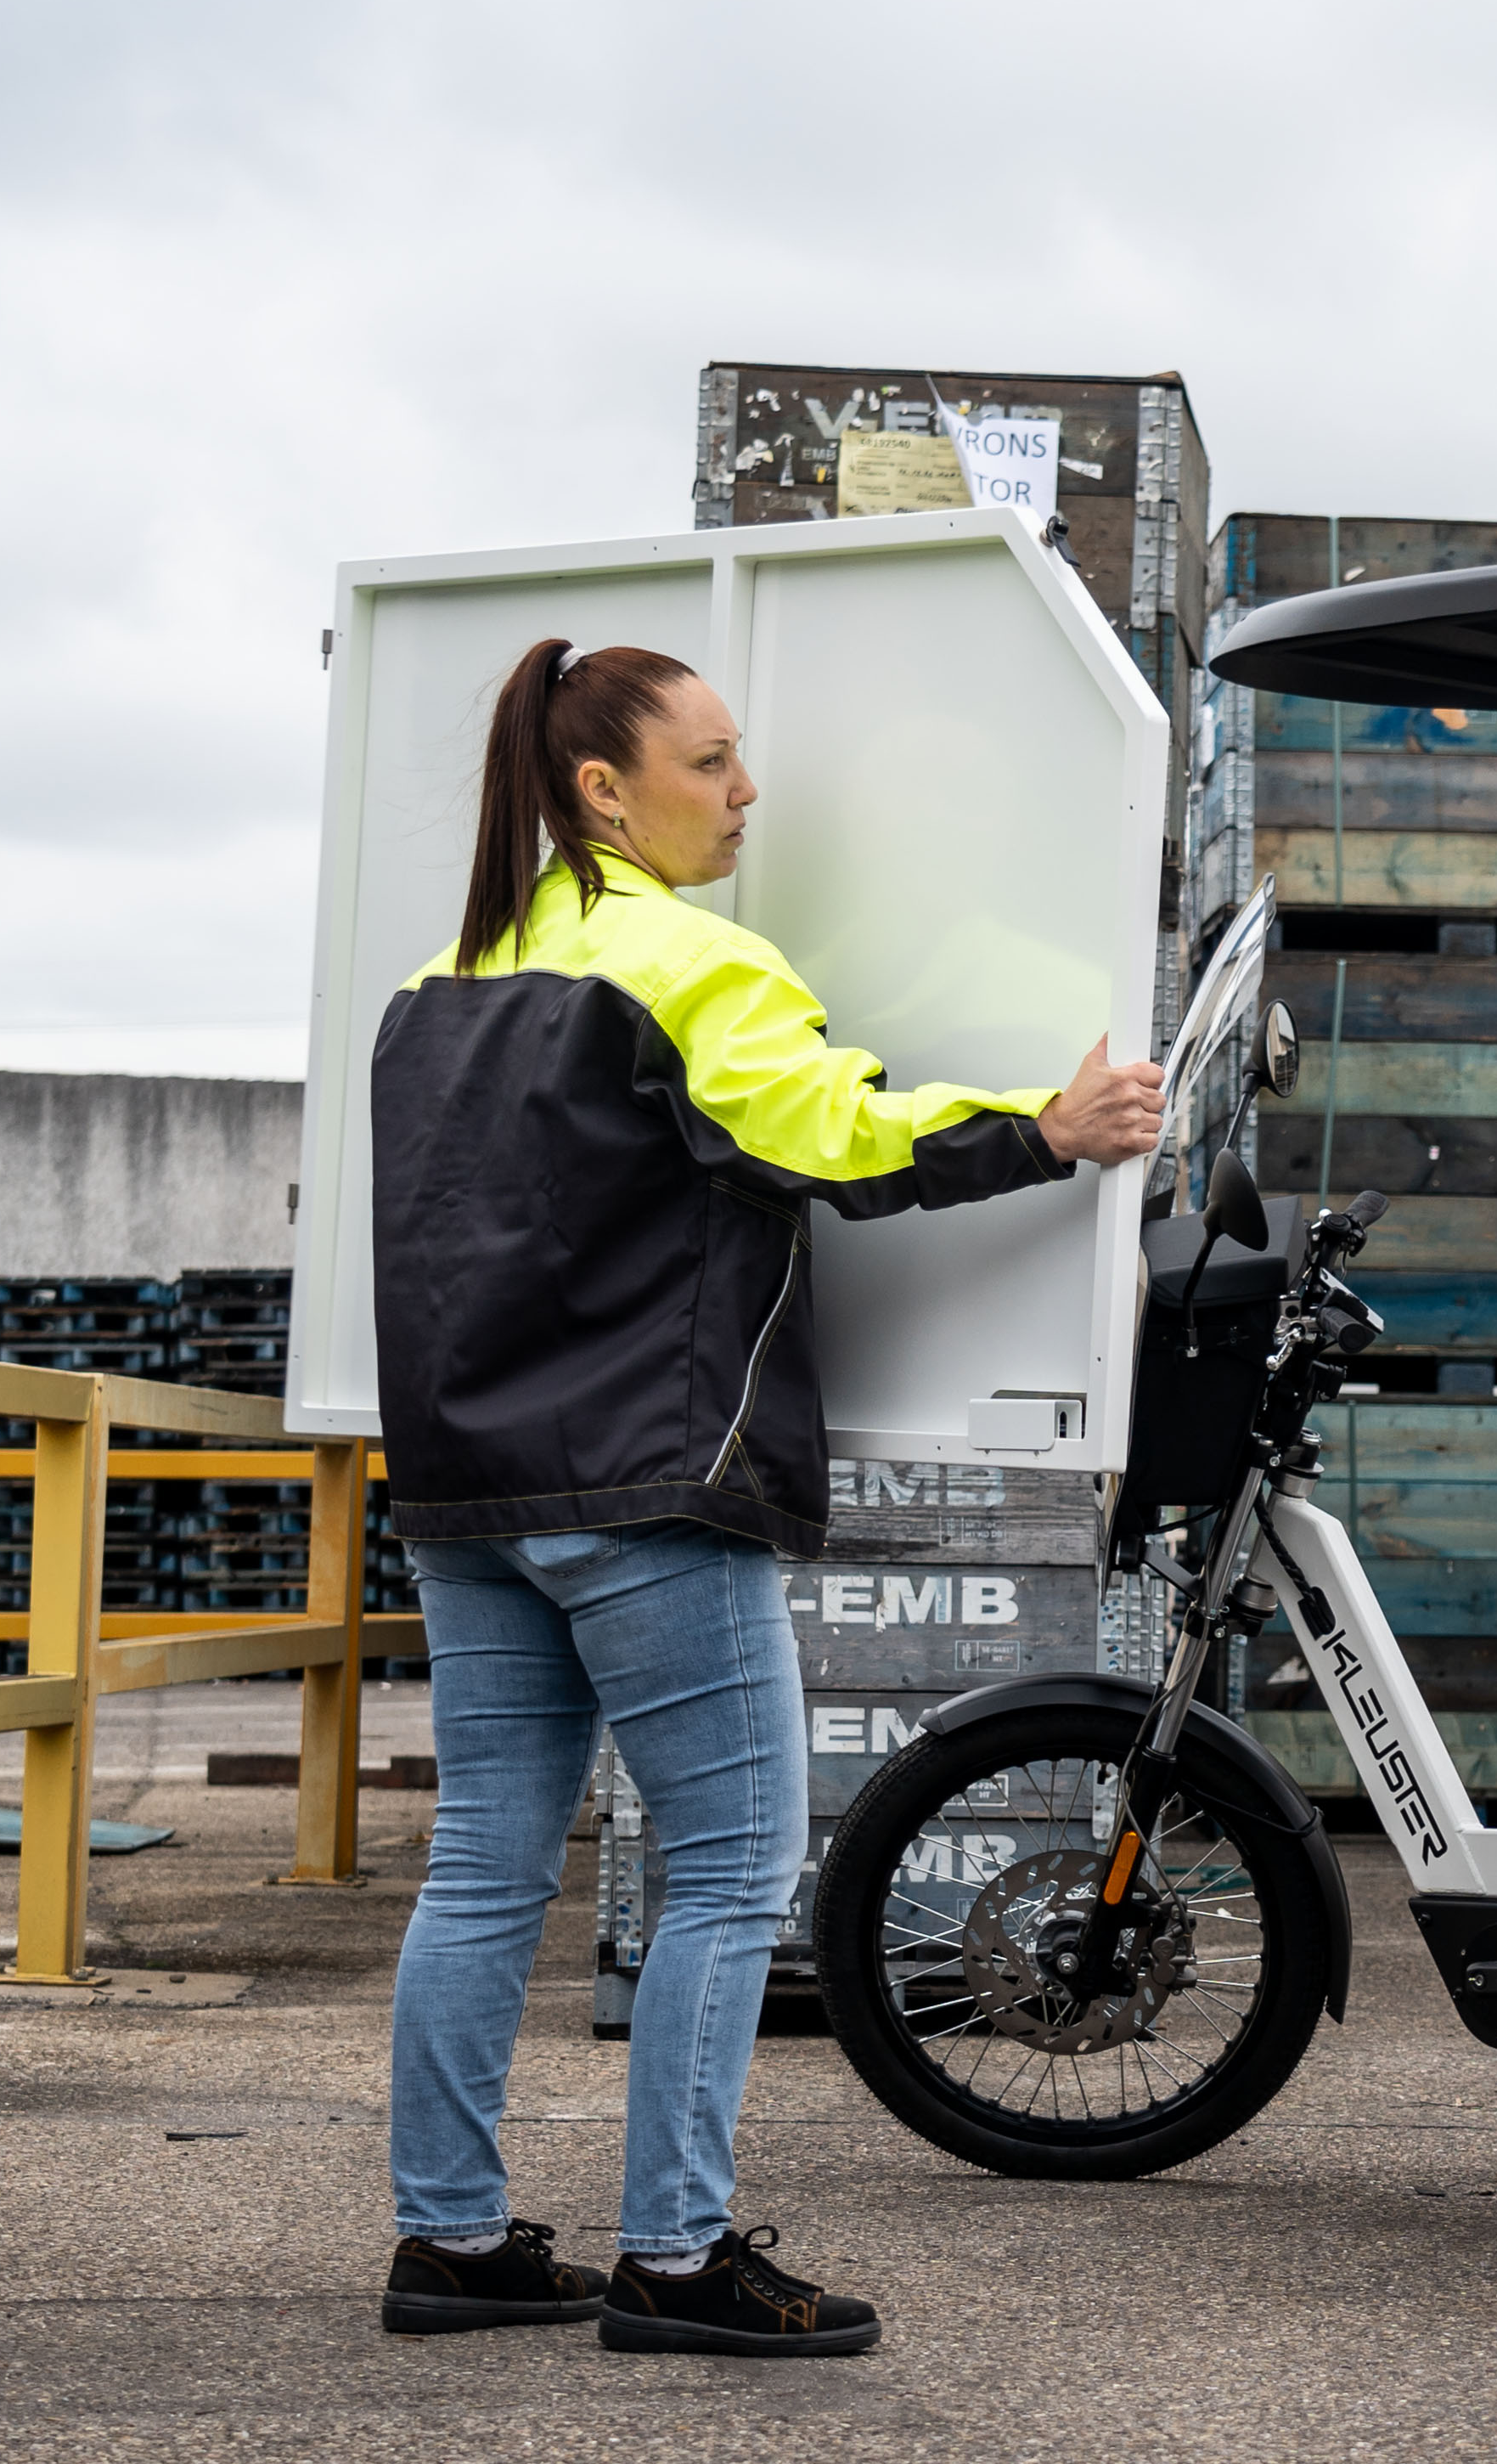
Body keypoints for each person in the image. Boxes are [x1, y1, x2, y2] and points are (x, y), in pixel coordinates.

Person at [366, 637, 1167, 2356]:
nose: (746, 794)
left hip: (464, 1497)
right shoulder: (687, 964)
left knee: (486, 1869)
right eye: (711, 762)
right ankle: (675, 2256)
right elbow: (829, 1133)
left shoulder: (434, 988)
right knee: (730, 1869)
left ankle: (450, 2240)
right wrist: (1043, 1129)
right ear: (604, 791)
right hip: (643, 1491)